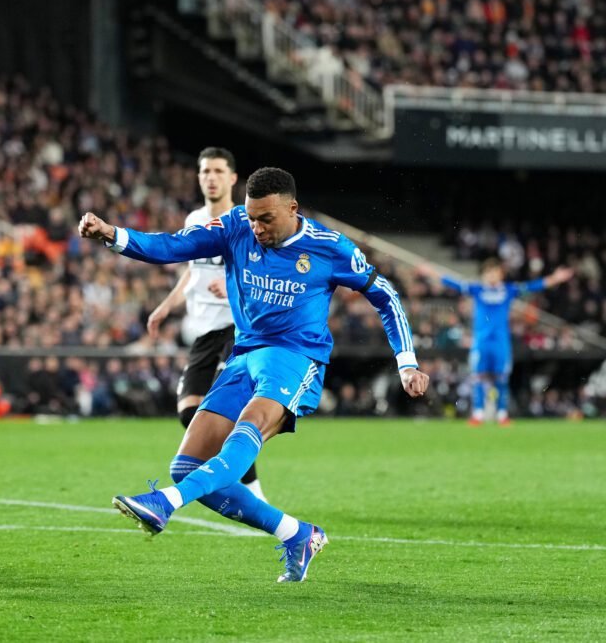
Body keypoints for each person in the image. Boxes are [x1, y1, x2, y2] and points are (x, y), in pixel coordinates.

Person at [78, 167, 429, 582]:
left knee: (245, 434)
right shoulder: (234, 227)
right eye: (251, 217)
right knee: (186, 465)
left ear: (292, 208)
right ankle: (297, 533)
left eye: (266, 219)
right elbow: (173, 245)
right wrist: (113, 235)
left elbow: (384, 295)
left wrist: (406, 360)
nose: (257, 227)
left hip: (296, 358)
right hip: (245, 355)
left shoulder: (328, 247)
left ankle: (165, 504)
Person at [145, 147, 264, 500]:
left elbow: (262, 274)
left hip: (237, 328)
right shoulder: (195, 219)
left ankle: (253, 492)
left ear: (231, 178)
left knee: (228, 410)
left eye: (216, 171)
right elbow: (193, 271)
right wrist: (167, 305)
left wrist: (232, 290)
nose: (210, 178)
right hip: (203, 330)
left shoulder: (247, 221)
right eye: (204, 172)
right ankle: (239, 479)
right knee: (188, 412)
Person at [417, 259, 573, 426]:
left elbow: (532, 286)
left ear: (500, 274)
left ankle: (501, 414)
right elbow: (453, 283)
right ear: (484, 275)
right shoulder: (477, 289)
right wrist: (431, 272)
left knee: (501, 378)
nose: (491, 275)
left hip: (500, 342)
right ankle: (478, 414)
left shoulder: (508, 290)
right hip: (481, 342)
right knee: (478, 377)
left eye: (495, 272)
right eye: (488, 272)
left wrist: (555, 278)